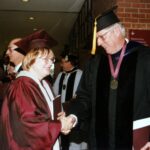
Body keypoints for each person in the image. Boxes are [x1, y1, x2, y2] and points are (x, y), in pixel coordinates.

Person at [59, 6, 150, 150]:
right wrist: (73, 116)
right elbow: (84, 97)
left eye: (101, 36)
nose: (99, 43)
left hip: (136, 141)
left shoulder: (145, 57)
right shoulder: (95, 63)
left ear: (116, 31)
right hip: (99, 140)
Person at [0, 45, 74, 150]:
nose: (51, 63)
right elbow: (27, 126)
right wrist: (59, 125)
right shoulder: (22, 85)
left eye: (52, 59)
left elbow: (44, 112)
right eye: (45, 59)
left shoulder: (44, 83)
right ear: (31, 60)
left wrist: (59, 116)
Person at [53, 51, 88, 150]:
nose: (61, 64)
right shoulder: (61, 75)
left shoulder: (80, 74)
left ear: (70, 62)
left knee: (75, 142)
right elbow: (54, 92)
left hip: (74, 111)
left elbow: (81, 95)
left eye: (63, 62)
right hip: (62, 112)